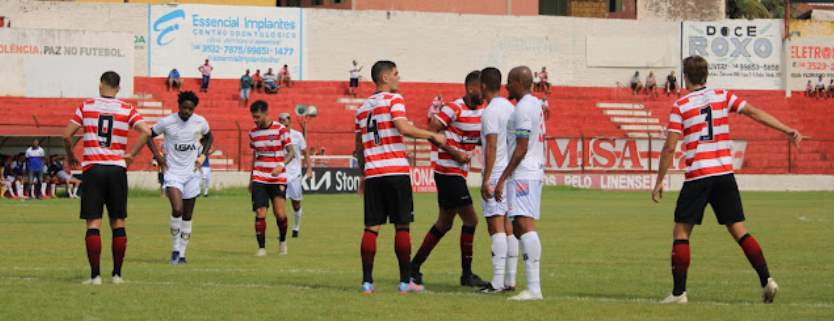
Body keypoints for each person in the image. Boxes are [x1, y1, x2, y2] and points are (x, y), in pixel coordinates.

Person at [652, 55, 804, 304]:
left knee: (681, 231)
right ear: (706, 75)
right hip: (724, 174)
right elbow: (754, 112)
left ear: (685, 76)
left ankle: (679, 294)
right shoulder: (723, 96)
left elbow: (670, 147)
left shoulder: (681, 105)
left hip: (699, 175)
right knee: (739, 230)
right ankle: (767, 280)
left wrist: (659, 180)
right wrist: (787, 129)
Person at [355, 60, 446, 295]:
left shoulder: (362, 108)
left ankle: (367, 283)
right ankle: (406, 282)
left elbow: (360, 147)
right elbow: (403, 127)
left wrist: (364, 174)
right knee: (402, 226)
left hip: (374, 173)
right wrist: (431, 136)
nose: (399, 77)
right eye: (396, 73)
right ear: (385, 78)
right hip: (395, 171)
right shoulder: (394, 99)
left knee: (371, 228)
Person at [62, 71, 152, 285]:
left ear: (100, 85)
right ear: (118, 88)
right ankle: (117, 275)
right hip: (116, 169)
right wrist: (131, 154)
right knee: (118, 222)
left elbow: (67, 135)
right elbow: (146, 131)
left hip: (93, 168)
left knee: (93, 222)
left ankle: (95, 277)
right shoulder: (126, 108)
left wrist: (71, 155)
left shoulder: (87, 106)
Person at [409, 70, 488, 289]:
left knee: (444, 224)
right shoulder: (453, 108)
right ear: (472, 88)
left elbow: (475, 139)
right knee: (471, 220)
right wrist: (454, 153)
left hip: (457, 172)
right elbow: (431, 132)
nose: (484, 92)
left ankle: (413, 267)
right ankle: (466, 275)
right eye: (481, 88)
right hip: (448, 171)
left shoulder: (483, 110)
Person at [492, 66, 546, 301]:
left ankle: (534, 288)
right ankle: (532, 287)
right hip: (530, 171)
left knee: (524, 224)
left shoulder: (523, 107)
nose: (506, 87)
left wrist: (503, 178)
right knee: (519, 225)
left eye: (509, 83)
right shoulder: (534, 104)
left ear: (517, 82)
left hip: (524, 173)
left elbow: (522, 147)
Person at [147, 91, 213, 265]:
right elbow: (148, 135)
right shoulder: (167, 122)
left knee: (187, 215)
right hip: (173, 173)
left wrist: (203, 156)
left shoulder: (200, 121)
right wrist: (158, 156)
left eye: (190, 109)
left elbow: (209, 137)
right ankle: (175, 250)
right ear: (179, 106)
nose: (187, 112)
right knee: (177, 209)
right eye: (184, 108)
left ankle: (182, 254)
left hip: (192, 173)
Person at [478, 67, 519, 295]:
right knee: (508, 226)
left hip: (495, 173)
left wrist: (486, 179)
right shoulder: (510, 108)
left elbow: (492, 145)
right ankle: (510, 280)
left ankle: (496, 282)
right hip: (510, 174)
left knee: (495, 226)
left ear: (483, 85)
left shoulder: (490, 112)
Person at [248, 100, 296, 257]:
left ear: (266, 113)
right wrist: (251, 178)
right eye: (253, 117)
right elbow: (255, 155)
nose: (255, 120)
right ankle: (261, 249)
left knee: (280, 214)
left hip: (277, 178)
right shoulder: (253, 133)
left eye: (257, 116)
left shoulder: (281, 130)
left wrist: (281, 166)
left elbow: (291, 152)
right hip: (259, 177)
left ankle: (282, 241)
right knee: (260, 212)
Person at [277, 113, 313, 238]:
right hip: (280, 175)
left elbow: (305, 152)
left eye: (284, 121)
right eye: (280, 121)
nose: (282, 123)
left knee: (296, 204)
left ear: (289, 122)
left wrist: (309, 168)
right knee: (280, 205)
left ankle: (296, 227)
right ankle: (283, 232)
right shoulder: (275, 136)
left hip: (294, 175)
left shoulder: (297, 136)